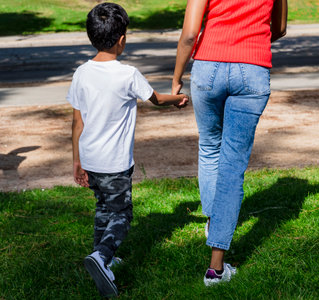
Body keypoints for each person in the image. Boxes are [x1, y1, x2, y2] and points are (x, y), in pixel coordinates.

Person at [67, 3, 189, 297]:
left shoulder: (81, 73)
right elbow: (156, 99)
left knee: (103, 207)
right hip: (115, 163)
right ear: (121, 39)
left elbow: (76, 121)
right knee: (122, 213)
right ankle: (102, 256)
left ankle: (102, 255)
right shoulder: (128, 74)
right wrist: (178, 99)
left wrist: (77, 161)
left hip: (91, 160)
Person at [172, 0, 287, 286]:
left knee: (210, 147)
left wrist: (175, 78)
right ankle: (216, 266)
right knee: (232, 166)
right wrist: (250, 44)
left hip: (208, 65)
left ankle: (214, 225)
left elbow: (189, 34)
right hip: (253, 69)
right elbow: (280, 28)